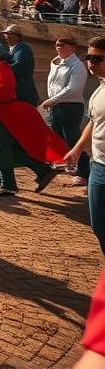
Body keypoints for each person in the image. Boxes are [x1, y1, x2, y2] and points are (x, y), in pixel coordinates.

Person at [0, 41, 63, 197]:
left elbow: (1, 89)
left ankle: (8, 184)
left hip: (2, 112)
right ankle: (42, 170)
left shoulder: (1, 68)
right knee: (2, 146)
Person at [65, 37, 105, 254]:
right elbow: (93, 121)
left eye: (97, 58)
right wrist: (77, 148)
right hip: (98, 167)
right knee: (98, 225)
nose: (91, 62)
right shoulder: (99, 90)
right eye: (89, 57)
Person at [43, 36, 90, 187]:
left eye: (63, 45)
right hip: (57, 106)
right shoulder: (57, 63)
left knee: (73, 139)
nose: (59, 47)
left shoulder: (77, 66)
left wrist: (53, 100)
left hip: (71, 106)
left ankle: (84, 173)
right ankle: (69, 164)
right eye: (57, 45)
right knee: (59, 137)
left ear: (73, 48)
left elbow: (73, 88)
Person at [3, 25, 41, 106]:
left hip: (23, 91)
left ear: (17, 36)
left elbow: (19, 65)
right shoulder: (12, 49)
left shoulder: (23, 49)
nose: (6, 36)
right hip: (17, 90)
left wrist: (1, 69)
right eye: (5, 34)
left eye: (9, 34)